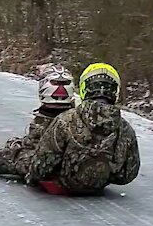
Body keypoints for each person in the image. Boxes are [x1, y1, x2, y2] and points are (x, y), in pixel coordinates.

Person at [26, 63, 140, 195]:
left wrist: (33, 178)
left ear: (84, 88)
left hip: (62, 185)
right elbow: (128, 174)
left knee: (16, 156)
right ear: (115, 92)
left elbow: (40, 168)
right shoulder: (125, 129)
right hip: (99, 187)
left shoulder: (65, 120)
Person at [0, 64, 76, 179]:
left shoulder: (49, 119)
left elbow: (38, 149)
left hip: (54, 172)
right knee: (17, 144)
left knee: (11, 157)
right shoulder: (77, 115)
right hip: (79, 170)